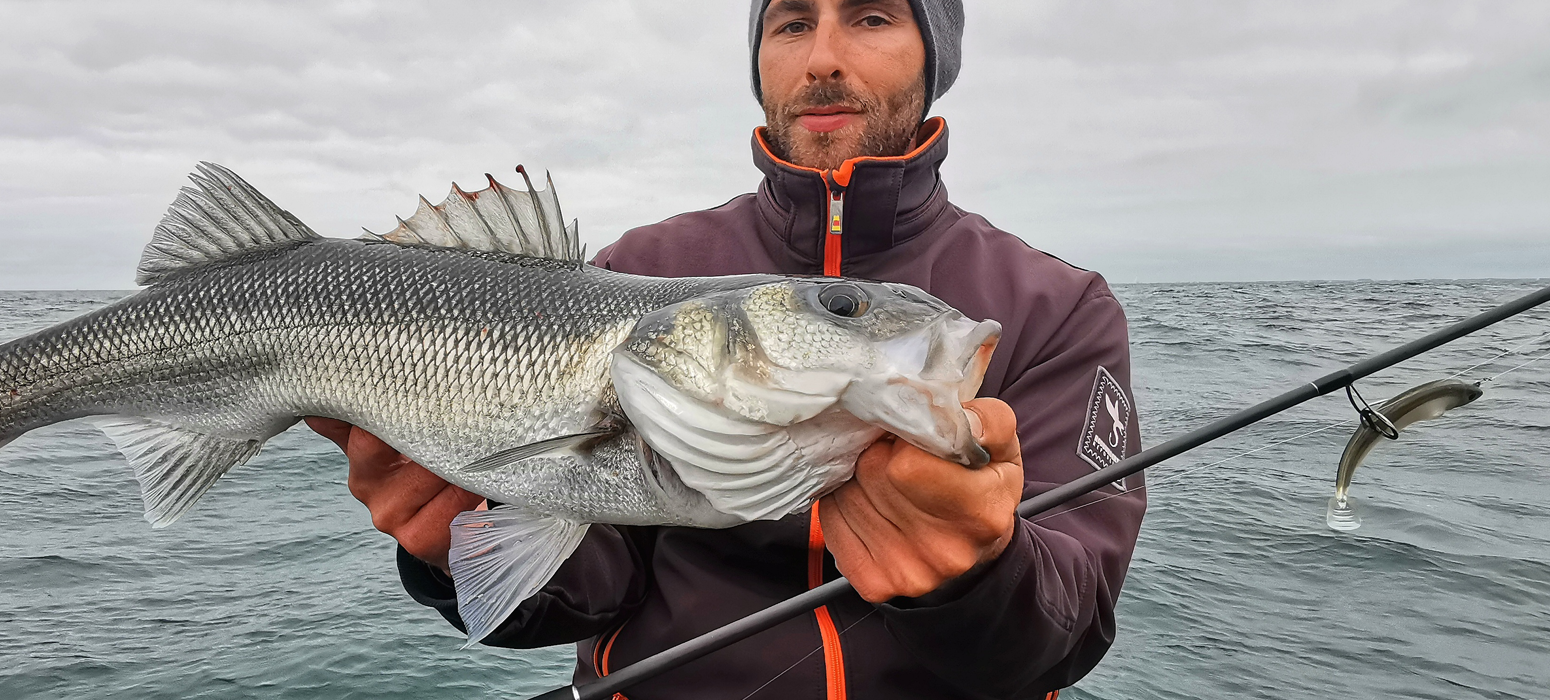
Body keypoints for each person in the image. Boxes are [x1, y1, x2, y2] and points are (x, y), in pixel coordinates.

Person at [306, 1, 1146, 697]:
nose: (823, 58)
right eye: (791, 23)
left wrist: (982, 575)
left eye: (872, 17)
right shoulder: (640, 269)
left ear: (935, 57)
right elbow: (594, 588)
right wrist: (455, 539)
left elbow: (1068, 633)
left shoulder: (1057, 306)